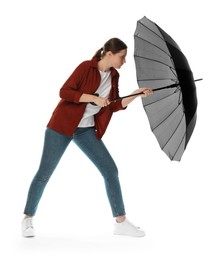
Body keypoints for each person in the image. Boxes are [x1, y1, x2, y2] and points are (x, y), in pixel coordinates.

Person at [22, 38, 153, 238]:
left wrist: (136, 94)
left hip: (86, 130)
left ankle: (121, 221)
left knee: (110, 170)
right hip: (61, 126)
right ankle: (27, 219)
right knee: (44, 173)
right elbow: (64, 92)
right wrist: (93, 97)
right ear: (109, 54)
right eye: (122, 56)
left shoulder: (114, 75)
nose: (124, 61)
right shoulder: (86, 67)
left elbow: (114, 105)